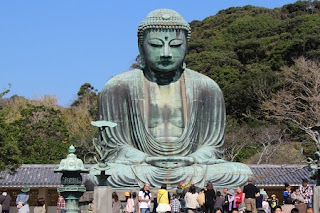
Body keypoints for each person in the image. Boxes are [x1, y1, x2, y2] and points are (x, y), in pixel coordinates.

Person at [88, 8, 253, 188]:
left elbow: (213, 147)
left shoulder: (207, 88)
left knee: (240, 173)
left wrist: (191, 159)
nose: (166, 53)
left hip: (192, 167)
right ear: (141, 46)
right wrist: (146, 159)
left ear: (186, 46)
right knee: (98, 175)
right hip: (142, 167)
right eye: (156, 45)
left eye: (175, 45)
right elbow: (115, 147)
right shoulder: (118, 87)